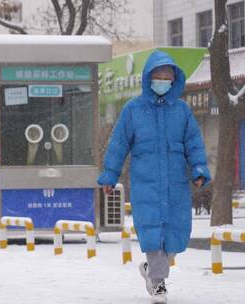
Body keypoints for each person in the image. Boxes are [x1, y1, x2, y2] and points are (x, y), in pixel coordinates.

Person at [97, 51, 211, 304]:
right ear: (148, 79)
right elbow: (118, 144)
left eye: (166, 77)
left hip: (176, 184)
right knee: (151, 233)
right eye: (157, 76)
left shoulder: (182, 111)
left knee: (175, 234)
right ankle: (158, 284)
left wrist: (199, 169)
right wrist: (109, 175)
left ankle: (151, 271)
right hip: (145, 183)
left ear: (174, 80)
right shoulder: (133, 110)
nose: (162, 81)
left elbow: (194, 143)